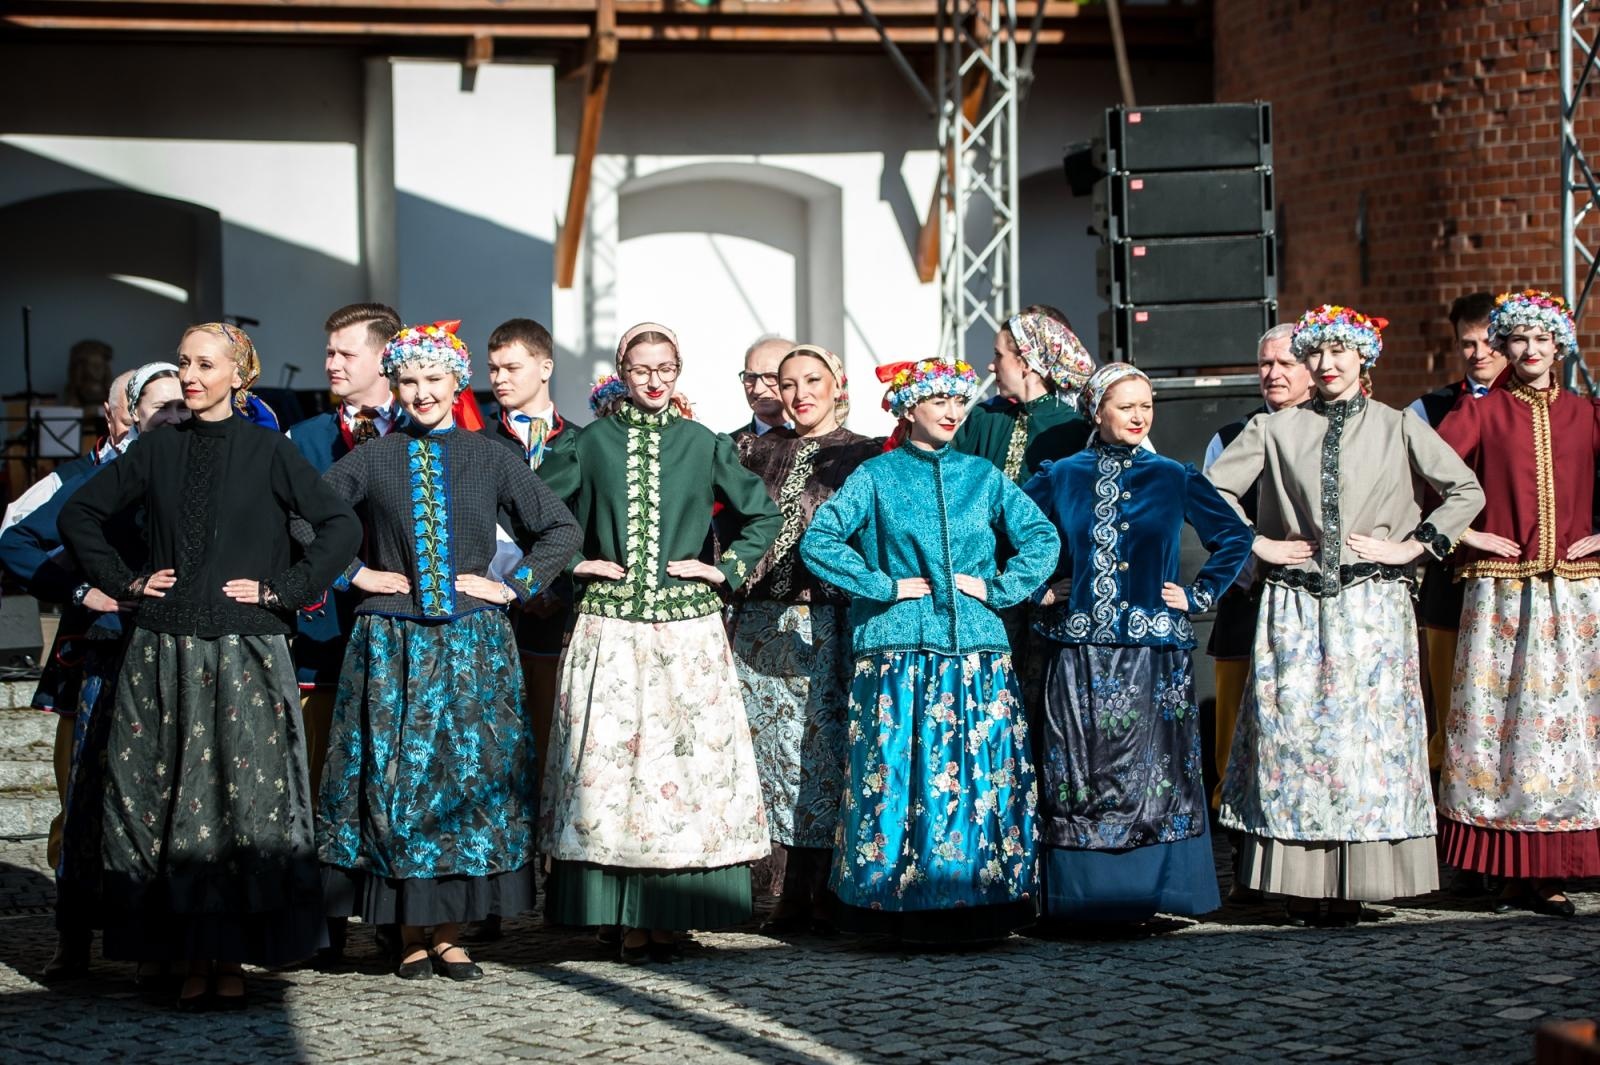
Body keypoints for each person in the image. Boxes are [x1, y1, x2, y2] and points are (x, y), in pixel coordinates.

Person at [57, 322, 361, 1009]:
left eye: (204, 364)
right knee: (166, 801)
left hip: (245, 651)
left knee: (242, 803)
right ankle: (185, 952)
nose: (190, 375)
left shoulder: (268, 451)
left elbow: (340, 525)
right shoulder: (157, 448)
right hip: (161, 651)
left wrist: (283, 589)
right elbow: (81, 514)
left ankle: (230, 955)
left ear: (239, 374)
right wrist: (126, 581)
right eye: (185, 363)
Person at [315, 321, 581, 981]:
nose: (422, 391)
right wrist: (357, 573)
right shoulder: (373, 456)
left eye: (434, 379)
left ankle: (453, 934)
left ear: (456, 382)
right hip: (394, 643)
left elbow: (559, 528)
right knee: (400, 785)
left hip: (474, 642)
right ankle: (407, 933)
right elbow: (305, 516)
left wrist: (510, 584)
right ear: (395, 385)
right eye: (409, 380)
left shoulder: (490, 456)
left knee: (469, 784)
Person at [1207, 305, 1483, 927]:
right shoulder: (1276, 430)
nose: (1328, 366)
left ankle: (1364, 878)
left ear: (1364, 359)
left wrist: (1417, 544)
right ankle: (1302, 882)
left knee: (1367, 745)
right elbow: (1207, 492)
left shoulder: (1395, 427)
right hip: (1296, 608)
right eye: (1319, 354)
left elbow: (1466, 490)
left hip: (1373, 608)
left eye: (1341, 354)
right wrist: (1258, 542)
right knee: (1299, 742)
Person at [540, 322, 781, 963]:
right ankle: (622, 915)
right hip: (612, 627)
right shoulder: (590, 443)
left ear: (679, 372)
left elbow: (763, 514)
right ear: (623, 370)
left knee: (686, 771)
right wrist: (574, 565)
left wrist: (724, 569)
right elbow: (535, 510)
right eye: (642, 369)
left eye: (666, 369)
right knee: (611, 773)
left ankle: (675, 914)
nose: (654, 381)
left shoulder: (702, 443)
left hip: (686, 631)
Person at [799, 358, 1058, 944]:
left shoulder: (983, 477)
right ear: (908, 407)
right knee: (896, 773)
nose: (950, 412)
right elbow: (821, 539)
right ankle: (891, 904)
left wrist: (999, 588)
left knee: (977, 774)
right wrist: (882, 586)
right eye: (937, 401)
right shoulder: (877, 476)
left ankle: (980, 901)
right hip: (897, 649)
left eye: (958, 401)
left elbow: (1041, 536)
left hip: (976, 649)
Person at [1023, 363, 1252, 925]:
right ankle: (1081, 895)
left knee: (1153, 774)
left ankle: (1155, 891)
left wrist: (1199, 595)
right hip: (1078, 653)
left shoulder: (1174, 475)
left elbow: (1234, 536)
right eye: (1126, 405)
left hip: (1151, 653)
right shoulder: (1061, 476)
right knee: (1080, 773)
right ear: (1096, 410)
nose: (1138, 415)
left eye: (1146, 405)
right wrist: (1037, 589)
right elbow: (1004, 533)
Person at [0, 363, 186, 978]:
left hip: (175, 655)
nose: (173, 416)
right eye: (161, 406)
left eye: (182, 405)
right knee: (83, 800)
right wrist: (85, 589)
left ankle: (156, 940)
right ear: (128, 413)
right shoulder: (89, 476)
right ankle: (74, 937)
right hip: (102, 655)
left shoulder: (198, 470)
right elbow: (15, 539)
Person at [1435, 289, 1600, 918]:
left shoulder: (1586, 413)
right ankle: (1509, 867)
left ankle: (1558, 865)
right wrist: (1465, 531)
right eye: (1519, 340)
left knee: (1566, 731)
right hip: (1503, 592)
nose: (1531, 351)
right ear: (1505, 345)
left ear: (1559, 345)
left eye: (1542, 339)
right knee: (1503, 729)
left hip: (1576, 594)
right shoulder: (1483, 411)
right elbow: (1425, 474)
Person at [728, 345, 880, 933]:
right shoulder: (750, 451)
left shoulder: (868, 455)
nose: (799, 394)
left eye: (812, 380)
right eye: (787, 384)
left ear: (838, 383)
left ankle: (826, 891)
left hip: (829, 624)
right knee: (767, 762)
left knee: (824, 759)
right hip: (761, 625)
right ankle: (775, 892)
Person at [285, 302, 405, 961]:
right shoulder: (305, 440)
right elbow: (294, 530)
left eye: (344, 353)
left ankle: (397, 914)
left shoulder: (424, 432)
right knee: (324, 774)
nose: (331, 363)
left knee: (393, 775)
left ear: (383, 358)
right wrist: (350, 573)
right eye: (328, 352)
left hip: (407, 634)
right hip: (328, 633)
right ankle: (325, 919)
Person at [1201, 324, 1313, 831]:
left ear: (1311, 369)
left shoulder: (1333, 433)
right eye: (1266, 363)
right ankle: (1241, 855)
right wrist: (1258, 554)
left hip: (1314, 609)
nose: (1273, 373)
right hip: (1247, 605)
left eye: (1286, 363)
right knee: (1236, 741)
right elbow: (1212, 522)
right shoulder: (1228, 438)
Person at [1405, 292, 1501, 778]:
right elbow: (1408, 494)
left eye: (1490, 340)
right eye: (1468, 343)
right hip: (1448, 575)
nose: (1480, 352)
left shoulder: (1540, 407)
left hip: (1514, 577)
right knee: (1447, 708)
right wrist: (1455, 536)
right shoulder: (1428, 409)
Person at [953, 312, 1096, 484]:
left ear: (1026, 364)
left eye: (999, 355)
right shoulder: (984, 417)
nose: (991, 366)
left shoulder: (1073, 428)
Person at [731, 335, 795, 440]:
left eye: (771, 377)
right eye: (750, 377)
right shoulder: (729, 448)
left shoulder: (822, 441)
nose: (758, 389)